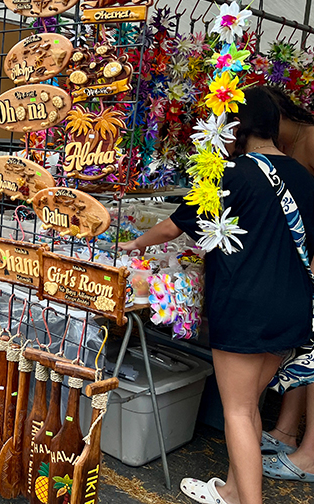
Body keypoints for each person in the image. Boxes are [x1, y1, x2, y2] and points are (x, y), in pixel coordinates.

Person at [120, 86, 314, 504]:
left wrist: (134, 246)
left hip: (245, 307)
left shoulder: (230, 175)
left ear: (234, 127)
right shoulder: (302, 175)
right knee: (250, 404)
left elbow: (173, 228)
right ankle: (230, 489)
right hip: (291, 308)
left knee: (239, 412)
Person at [258, 87, 314, 481]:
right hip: (302, 265)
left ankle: (309, 457)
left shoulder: (310, 139)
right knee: (303, 351)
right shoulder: (289, 146)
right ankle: (287, 430)